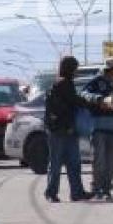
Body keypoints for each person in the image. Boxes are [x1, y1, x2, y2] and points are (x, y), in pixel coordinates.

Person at [43, 56, 93, 203]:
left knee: (72, 163)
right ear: (69, 68)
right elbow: (73, 102)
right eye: (75, 68)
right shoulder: (64, 84)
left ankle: (76, 192)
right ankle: (53, 193)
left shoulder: (61, 83)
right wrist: (89, 103)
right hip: (60, 130)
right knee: (58, 163)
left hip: (66, 129)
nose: (76, 72)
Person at [80, 58, 113, 201]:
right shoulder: (96, 83)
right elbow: (83, 94)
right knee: (99, 159)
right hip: (98, 128)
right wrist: (99, 99)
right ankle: (97, 189)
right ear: (111, 69)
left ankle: (107, 189)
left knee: (110, 161)